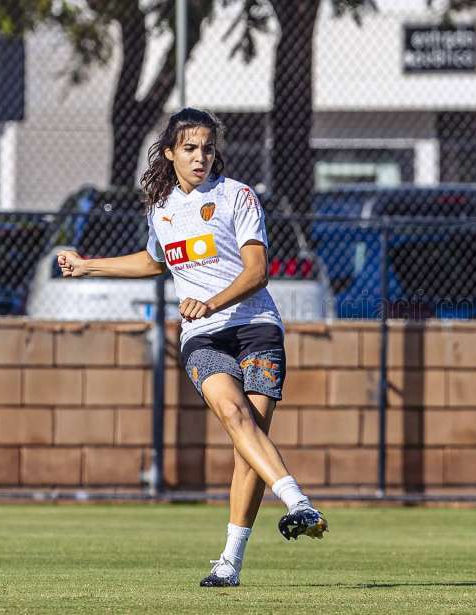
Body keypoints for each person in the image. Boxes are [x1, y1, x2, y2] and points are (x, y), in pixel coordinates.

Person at [56, 107, 327, 588]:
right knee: (233, 416)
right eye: (189, 148)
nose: (201, 156)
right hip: (202, 337)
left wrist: (212, 301)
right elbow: (152, 260)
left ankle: (230, 562)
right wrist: (88, 265)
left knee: (250, 448)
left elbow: (258, 272)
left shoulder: (237, 196)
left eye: (207, 147)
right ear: (170, 153)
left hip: (256, 327)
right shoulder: (160, 207)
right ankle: (298, 502)